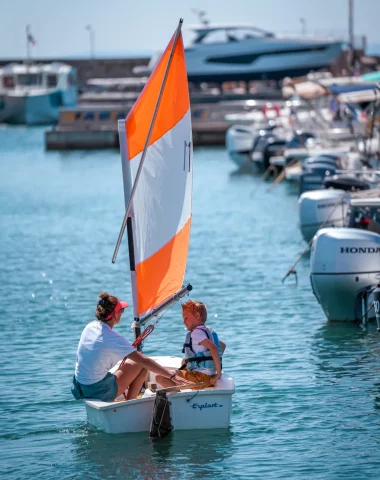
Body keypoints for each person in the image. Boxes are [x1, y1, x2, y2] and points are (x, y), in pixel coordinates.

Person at [71, 292, 193, 402]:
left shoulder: (89, 327)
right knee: (142, 365)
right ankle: (130, 404)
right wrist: (171, 375)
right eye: (121, 311)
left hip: (79, 387)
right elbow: (143, 360)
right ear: (114, 315)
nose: (122, 313)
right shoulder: (112, 338)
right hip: (98, 391)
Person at [156, 300, 226, 389]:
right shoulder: (210, 331)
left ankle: (177, 399)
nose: (183, 322)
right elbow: (222, 346)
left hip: (199, 378)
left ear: (197, 316)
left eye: (186, 318)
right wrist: (214, 371)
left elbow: (214, 348)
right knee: (182, 364)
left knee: (160, 377)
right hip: (208, 377)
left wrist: (218, 374)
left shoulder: (196, 333)